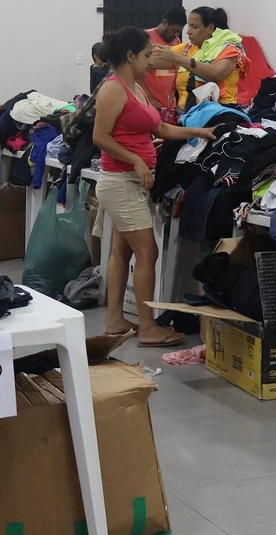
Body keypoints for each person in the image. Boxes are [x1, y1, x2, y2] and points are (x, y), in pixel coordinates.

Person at [92, 26, 216, 346]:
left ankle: (115, 321)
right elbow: (100, 137)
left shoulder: (136, 87)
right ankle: (147, 327)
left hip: (132, 180)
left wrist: (198, 133)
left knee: (122, 251)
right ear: (130, 56)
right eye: (147, 55)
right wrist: (135, 160)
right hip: (121, 181)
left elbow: (158, 127)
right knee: (148, 251)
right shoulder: (113, 89)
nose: (152, 61)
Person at [150, 6, 249, 110]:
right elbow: (148, 62)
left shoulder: (229, 49)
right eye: (189, 26)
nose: (188, 31)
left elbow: (216, 74)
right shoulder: (187, 49)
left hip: (218, 114)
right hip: (186, 117)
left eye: (194, 27)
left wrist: (178, 58)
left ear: (210, 28)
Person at [143, 7, 186, 120]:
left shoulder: (177, 42)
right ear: (165, 23)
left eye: (179, 32)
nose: (176, 34)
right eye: (174, 30)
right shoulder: (144, 38)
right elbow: (134, 73)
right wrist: (149, 98)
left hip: (170, 106)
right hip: (149, 103)